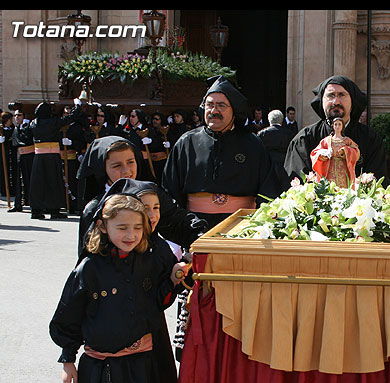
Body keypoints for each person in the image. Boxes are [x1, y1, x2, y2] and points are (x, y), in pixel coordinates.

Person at [49, 191, 188, 383]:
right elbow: (67, 318)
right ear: (102, 226)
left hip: (140, 366)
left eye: (137, 227)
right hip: (102, 368)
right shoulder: (89, 268)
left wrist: (174, 278)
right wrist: (68, 359)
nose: (131, 235)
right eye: (122, 227)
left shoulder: (147, 261)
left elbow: (156, 303)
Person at [163, 75, 281, 229]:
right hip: (193, 225)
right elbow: (170, 190)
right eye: (209, 105)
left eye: (221, 105)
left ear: (234, 110)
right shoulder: (187, 142)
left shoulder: (252, 144)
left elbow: (268, 189)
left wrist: (259, 225)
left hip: (242, 226)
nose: (214, 110)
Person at [76, 135, 207, 258]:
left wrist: (201, 235)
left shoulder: (151, 194)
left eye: (130, 162)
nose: (126, 170)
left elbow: (177, 221)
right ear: (102, 169)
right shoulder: (95, 208)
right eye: (117, 166)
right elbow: (88, 255)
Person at [285, 75, 387, 182]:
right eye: (330, 95)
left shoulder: (370, 139)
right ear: (321, 101)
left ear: (352, 100)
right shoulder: (304, 139)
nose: (336, 102)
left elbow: (377, 180)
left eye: (342, 95)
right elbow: (296, 183)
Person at [29, 100, 83, 220]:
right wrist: (78, 106)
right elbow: (70, 118)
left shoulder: (33, 123)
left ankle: (36, 210)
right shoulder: (53, 122)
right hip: (52, 156)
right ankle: (54, 210)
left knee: (38, 184)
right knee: (53, 183)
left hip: (39, 156)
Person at [310, 117, 360, 188]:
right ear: (333, 126)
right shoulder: (327, 140)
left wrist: (345, 151)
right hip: (330, 168)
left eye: (339, 124)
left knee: (344, 187)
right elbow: (315, 153)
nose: (337, 126)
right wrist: (322, 155)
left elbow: (356, 151)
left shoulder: (347, 140)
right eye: (336, 124)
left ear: (342, 126)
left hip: (343, 168)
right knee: (330, 187)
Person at [257, 109, 293, 194]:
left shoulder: (262, 133)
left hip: (267, 164)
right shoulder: (288, 133)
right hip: (284, 164)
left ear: (269, 120)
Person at [8, 107, 34, 212]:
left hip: (29, 156)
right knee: (18, 181)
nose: (16, 117)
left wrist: (26, 128)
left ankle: (33, 204)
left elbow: (27, 139)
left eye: (19, 115)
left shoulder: (27, 127)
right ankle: (18, 204)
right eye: (15, 115)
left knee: (29, 179)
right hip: (19, 155)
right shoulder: (16, 128)